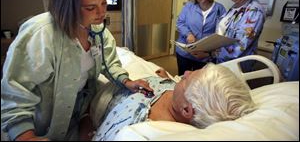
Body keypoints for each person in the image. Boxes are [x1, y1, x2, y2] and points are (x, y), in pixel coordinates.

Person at [1, 0, 153, 141]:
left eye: (104, 3)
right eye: (91, 7)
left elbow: (109, 62)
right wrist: (25, 136)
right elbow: (15, 93)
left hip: (76, 116)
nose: (102, 13)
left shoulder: (97, 31)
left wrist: (126, 81)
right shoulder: (40, 35)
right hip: (41, 126)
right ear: (66, 5)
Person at [91, 63, 256, 141]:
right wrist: (167, 79)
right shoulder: (184, 101)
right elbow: (181, 90)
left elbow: (98, 135)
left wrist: (86, 120)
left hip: (104, 93)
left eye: (186, 79)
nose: (185, 72)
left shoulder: (134, 125)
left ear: (186, 110)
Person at [216, 0, 266, 70]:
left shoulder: (254, 11)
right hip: (222, 64)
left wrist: (211, 53)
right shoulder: (235, 7)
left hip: (236, 67)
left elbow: (239, 47)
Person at [176, 0, 226, 76]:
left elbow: (221, 32)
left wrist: (211, 52)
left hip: (204, 55)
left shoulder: (219, 9)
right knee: (183, 78)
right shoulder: (189, 6)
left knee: (199, 82)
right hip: (185, 53)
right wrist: (188, 34)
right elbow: (180, 23)